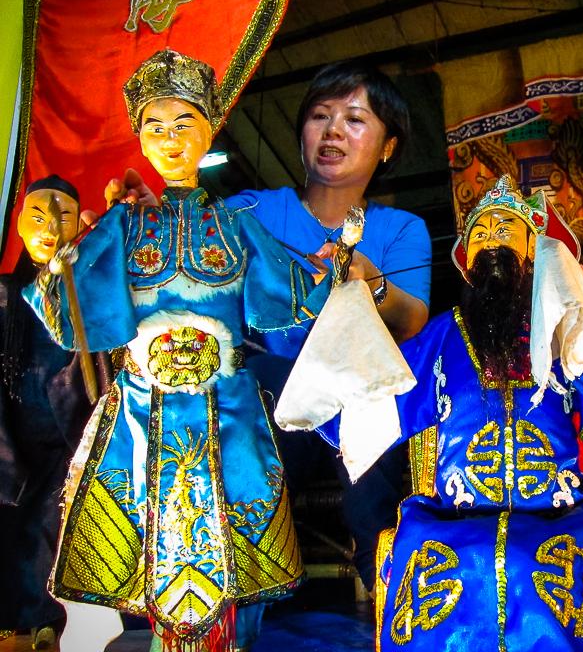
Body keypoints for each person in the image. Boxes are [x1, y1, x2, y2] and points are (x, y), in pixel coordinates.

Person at [25, 49, 331, 652]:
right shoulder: (122, 225)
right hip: (142, 408)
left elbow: (296, 289)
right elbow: (70, 304)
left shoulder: (236, 225)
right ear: (141, 140)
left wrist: (337, 271)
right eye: (155, 128)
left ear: (208, 132)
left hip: (227, 405)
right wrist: (61, 260)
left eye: (183, 124)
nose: (169, 140)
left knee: (233, 543)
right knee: (148, 543)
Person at [107, 62, 432, 593]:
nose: (332, 131)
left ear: (388, 146)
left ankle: (385, 580)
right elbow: (196, 270)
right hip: (273, 403)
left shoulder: (401, 229)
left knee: (371, 396)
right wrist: (153, 220)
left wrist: (368, 281)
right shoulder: (248, 212)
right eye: (320, 116)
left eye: (354, 120)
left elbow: (412, 318)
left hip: (361, 402)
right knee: (254, 376)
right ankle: (229, 572)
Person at [356, 175, 583, 651]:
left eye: (505, 228)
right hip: (454, 519)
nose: (491, 241)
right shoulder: (445, 334)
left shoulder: (566, 325)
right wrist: (360, 301)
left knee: (539, 564)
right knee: (458, 564)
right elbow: (383, 392)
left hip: (558, 515)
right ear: (466, 261)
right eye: (480, 233)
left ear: (535, 250)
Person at [0, 176, 109, 650]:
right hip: (12, 429)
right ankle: (15, 620)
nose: (50, 228)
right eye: (38, 217)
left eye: (63, 216)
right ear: (20, 226)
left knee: (57, 525)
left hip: (72, 429)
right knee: (13, 526)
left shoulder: (88, 295)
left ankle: (50, 621)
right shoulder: (4, 294)